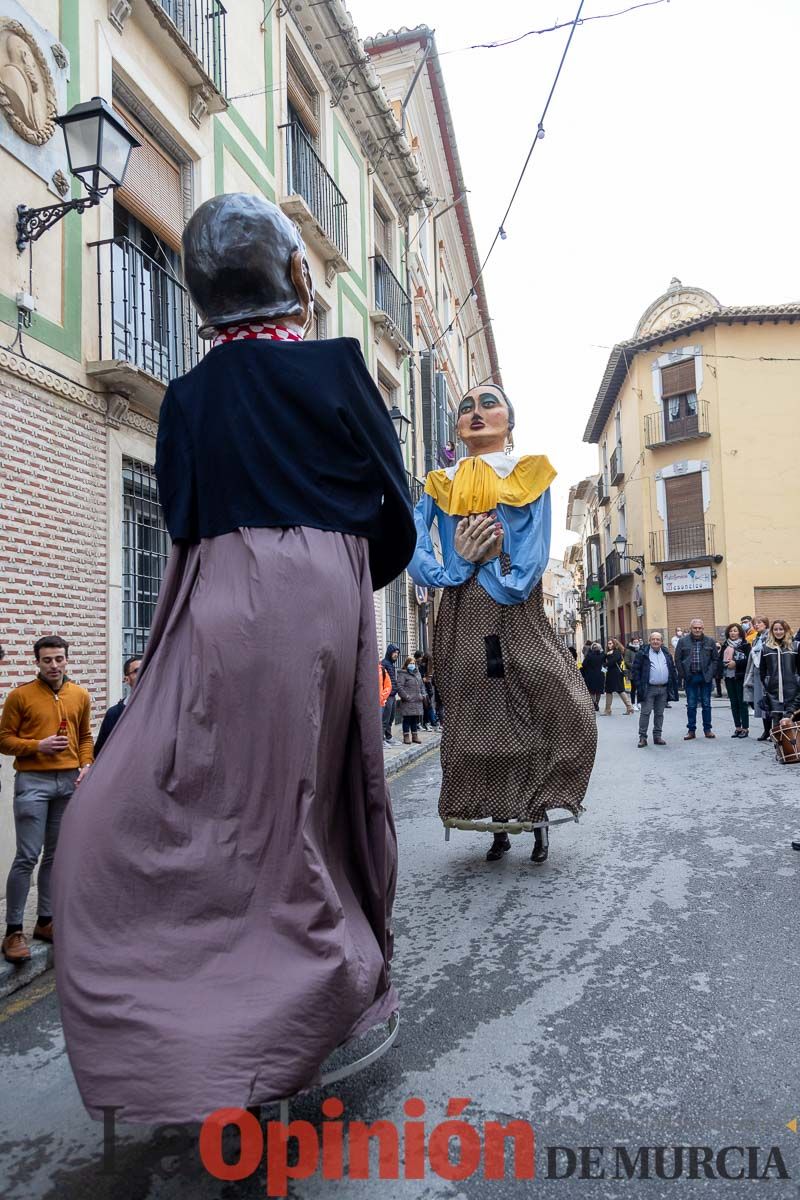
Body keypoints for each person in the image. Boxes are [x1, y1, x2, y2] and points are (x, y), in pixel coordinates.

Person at [53, 194, 415, 1125]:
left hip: (218, 591)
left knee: (220, 797)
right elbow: (395, 505)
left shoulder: (188, 396)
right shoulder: (339, 368)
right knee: (316, 799)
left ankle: (194, 1020)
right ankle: (316, 988)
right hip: (324, 594)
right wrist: (343, 568)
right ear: (295, 276)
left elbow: (178, 511)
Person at [409, 382, 597, 865]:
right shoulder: (439, 483)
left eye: (489, 403)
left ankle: (537, 819)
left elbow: (533, 549)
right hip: (462, 611)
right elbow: (411, 539)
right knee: (477, 720)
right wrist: (450, 570)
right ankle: (496, 825)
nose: (476, 411)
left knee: (551, 702)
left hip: (516, 607)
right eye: (466, 406)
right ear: (457, 427)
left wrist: (497, 567)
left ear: (509, 421)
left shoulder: (528, 473)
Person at [0, 636, 93, 964]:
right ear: (36, 662)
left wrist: (86, 765)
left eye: (59, 659)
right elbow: (4, 740)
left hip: (68, 782)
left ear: (67, 659)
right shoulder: (20, 696)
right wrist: (37, 746)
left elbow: (85, 737)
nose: (54, 665)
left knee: (55, 855)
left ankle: (45, 921)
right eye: (47, 660)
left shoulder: (80, 694)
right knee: (27, 855)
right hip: (33, 782)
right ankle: (13, 931)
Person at [632, 631, 678, 747]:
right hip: (648, 689)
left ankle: (657, 736)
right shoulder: (643, 653)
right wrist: (639, 685)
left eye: (658, 639)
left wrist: (673, 683)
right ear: (649, 641)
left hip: (663, 689)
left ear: (662, 642)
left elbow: (672, 669)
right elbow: (635, 670)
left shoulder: (666, 653)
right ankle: (642, 737)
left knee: (659, 714)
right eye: (653, 639)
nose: (655, 641)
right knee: (645, 713)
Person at [674, 618, 719, 739]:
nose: (697, 630)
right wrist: (683, 675)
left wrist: (710, 674)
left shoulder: (710, 641)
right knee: (691, 705)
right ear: (691, 629)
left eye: (700, 628)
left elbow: (715, 659)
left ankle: (707, 729)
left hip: (705, 677)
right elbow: (677, 659)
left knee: (706, 704)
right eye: (695, 628)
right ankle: (691, 730)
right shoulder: (683, 641)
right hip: (690, 677)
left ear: (703, 628)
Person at [93, 656, 141, 757]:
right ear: (126, 679)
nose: (143, 674)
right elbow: (100, 752)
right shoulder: (114, 714)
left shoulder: (163, 710)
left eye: (147, 669)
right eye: (137, 671)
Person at [759, 619, 799, 734]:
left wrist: (797, 681)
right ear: (772, 631)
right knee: (778, 731)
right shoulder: (766, 648)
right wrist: (767, 683)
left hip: (793, 693)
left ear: (786, 630)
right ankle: (778, 752)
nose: (778, 632)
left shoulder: (795, 646)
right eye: (775, 629)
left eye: (781, 629)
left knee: (794, 730)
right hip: (774, 694)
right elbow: (762, 670)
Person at [720, 623, 751, 737]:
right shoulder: (725, 645)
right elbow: (719, 660)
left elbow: (749, 660)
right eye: (731, 631)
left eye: (735, 631)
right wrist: (723, 665)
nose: (733, 633)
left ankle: (745, 728)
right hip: (728, 677)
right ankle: (737, 727)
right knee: (733, 703)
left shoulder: (745, 645)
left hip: (740, 677)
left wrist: (735, 663)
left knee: (742, 703)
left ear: (740, 632)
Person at [744, 616, 771, 740]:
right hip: (757, 672)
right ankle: (766, 730)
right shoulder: (756, 639)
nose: (756, 625)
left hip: (769, 673)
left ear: (766, 624)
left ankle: (774, 731)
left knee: (772, 703)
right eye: (754, 623)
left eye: (759, 623)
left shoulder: (770, 636)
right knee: (762, 704)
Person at [396, 656, 427, 744]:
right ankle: (406, 737)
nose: (412, 665)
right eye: (410, 663)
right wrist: (406, 697)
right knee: (407, 719)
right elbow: (399, 686)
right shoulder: (403, 674)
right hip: (408, 701)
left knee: (414, 719)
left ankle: (415, 736)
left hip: (417, 701)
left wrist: (423, 695)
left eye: (413, 663)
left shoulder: (417, 673)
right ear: (406, 664)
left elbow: (422, 686)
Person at [602, 638, 633, 715]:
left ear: (615, 644)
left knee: (617, 690)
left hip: (615, 673)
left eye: (611, 643)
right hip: (611, 673)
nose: (609, 645)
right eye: (608, 643)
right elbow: (603, 658)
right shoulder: (609, 652)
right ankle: (629, 707)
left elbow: (612, 662)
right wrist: (607, 655)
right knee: (613, 690)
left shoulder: (616, 652)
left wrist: (605, 665)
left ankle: (608, 710)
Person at [381, 643, 401, 744]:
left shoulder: (391, 665)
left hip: (393, 695)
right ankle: (381, 739)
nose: (396, 654)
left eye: (397, 653)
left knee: (391, 718)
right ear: (389, 652)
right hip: (387, 696)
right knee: (385, 718)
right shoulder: (384, 664)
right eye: (394, 652)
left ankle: (388, 737)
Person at [580, 641, 604, 711]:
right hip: (600, 675)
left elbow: (584, 664)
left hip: (590, 675)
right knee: (598, 691)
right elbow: (605, 664)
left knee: (592, 691)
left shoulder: (589, 655)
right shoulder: (602, 655)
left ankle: (594, 704)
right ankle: (597, 703)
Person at [624, 635, 642, 709]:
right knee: (633, 688)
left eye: (637, 642)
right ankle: (633, 703)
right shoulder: (628, 650)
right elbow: (626, 661)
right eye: (634, 642)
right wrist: (635, 666)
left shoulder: (641, 649)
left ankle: (639, 702)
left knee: (640, 688)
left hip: (640, 672)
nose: (636, 643)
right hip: (633, 672)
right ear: (632, 642)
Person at [379, 659, 392, 726]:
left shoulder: (382, 670)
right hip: (366, 703)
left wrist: (382, 697)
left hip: (379, 703)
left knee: (378, 724)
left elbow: (388, 686)